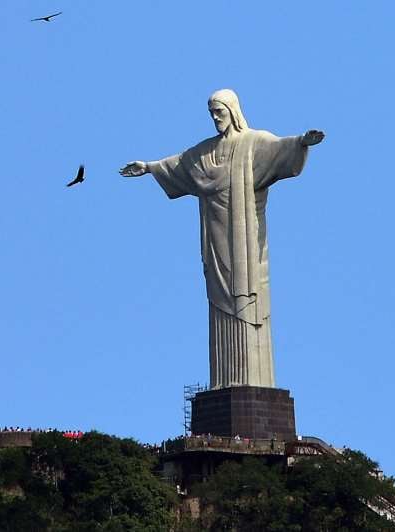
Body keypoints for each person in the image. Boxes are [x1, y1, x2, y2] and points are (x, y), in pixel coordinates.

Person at [120, 89, 324, 389]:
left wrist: (302, 142)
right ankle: (226, 382)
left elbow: (280, 148)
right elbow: (179, 165)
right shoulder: (204, 153)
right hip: (216, 248)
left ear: (233, 110)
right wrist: (149, 167)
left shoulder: (253, 143)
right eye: (212, 113)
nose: (216, 118)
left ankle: (254, 382)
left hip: (245, 245)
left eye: (220, 111)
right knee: (220, 306)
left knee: (249, 303)